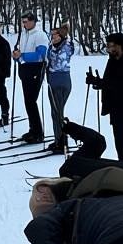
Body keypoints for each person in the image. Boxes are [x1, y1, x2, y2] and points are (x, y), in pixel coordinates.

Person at [86, 33, 123, 159]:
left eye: (111, 46)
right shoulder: (114, 60)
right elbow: (112, 82)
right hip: (117, 111)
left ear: (120, 46)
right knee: (121, 147)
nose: (108, 49)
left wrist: (103, 84)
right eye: (107, 46)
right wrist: (97, 82)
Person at [11, 12, 48, 144]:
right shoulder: (24, 34)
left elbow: (41, 55)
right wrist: (16, 56)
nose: (24, 24)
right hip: (25, 70)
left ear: (33, 21)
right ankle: (33, 129)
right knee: (28, 101)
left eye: (26, 21)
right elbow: (21, 52)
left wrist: (22, 56)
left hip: (36, 69)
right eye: (23, 22)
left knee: (31, 101)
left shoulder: (40, 35)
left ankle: (38, 132)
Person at [45, 26, 75, 154]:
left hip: (60, 81)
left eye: (55, 35)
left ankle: (62, 141)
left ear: (61, 36)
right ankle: (59, 139)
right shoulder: (53, 47)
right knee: (56, 112)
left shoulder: (65, 47)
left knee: (57, 113)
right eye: (51, 35)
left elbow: (57, 61)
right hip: (55, 80)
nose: (52, 38)